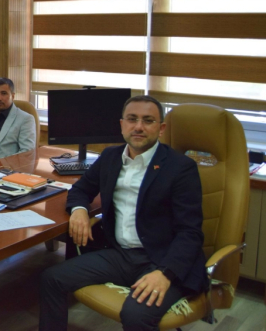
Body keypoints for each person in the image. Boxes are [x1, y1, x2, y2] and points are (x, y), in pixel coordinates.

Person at [39, 95, 206, 331]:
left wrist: (165, 273)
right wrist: (79, 211)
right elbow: (81, 189)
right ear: (121, 125)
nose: (138, 126)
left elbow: (190, 232)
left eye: (148, 120)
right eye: (132, 119)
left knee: (136, 315)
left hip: (161, 259)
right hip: (119, 255)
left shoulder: (180, 168)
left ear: (161, 128)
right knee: (52, 278)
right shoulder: (110, 157)